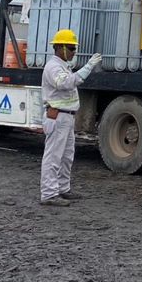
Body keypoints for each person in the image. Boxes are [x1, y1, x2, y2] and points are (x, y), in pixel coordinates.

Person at [40, 29, 101, 207]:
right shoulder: (53, 67)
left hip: (65, 117)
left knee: (66, 156)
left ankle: (62, 189)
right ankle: (49, 194)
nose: (74, 51)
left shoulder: (62, 65)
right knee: (54, 157)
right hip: (57, 117)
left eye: (74, 48)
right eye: (71, 47)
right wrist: (88, 67)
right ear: (60, 48)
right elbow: (65, 83)